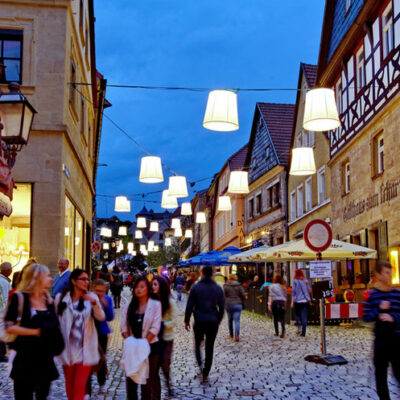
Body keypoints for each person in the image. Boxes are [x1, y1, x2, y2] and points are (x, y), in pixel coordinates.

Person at [5, 264, 64, 399]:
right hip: (25, 359)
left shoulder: (49, 301)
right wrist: (36, 332)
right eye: (47, 276)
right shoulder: (19, 298)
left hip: (45, 360)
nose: (51, 278)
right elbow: (9, 326)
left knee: (42, 396)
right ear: (37, 278)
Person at [55, 269, 105, 400]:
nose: (86, 282)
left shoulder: (91, 298)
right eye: (83, 279)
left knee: (79, 386)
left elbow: (101, 317)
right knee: (70, 386)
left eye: (88, 279)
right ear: (73, 281)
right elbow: (55, 320)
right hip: (67, 350)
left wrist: (94, 304)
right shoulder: (61, 298)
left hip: (85, 350)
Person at [120, 276, 162, 400]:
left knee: (147, 384)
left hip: (150, 349)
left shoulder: (155, 305)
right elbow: (124, 327)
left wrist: (143, 344)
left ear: (147, 289)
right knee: (131, 383)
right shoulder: (129, 306)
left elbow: (155, 327)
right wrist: (131, 342)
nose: (138, 290)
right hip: (132, 349)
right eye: (136, 287)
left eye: (142, 287)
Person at [364, 261, 400, 400]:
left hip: (397, 340)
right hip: (381, 341)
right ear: (378, 275)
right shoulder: (372, 295)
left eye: (390, 272)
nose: (389, 275)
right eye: (386, 272)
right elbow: (366, 317)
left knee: (399, 373)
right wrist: (379, 309)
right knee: (380, 377)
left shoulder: (397, 294)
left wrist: (393, 317)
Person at [184, 266, 225, 382]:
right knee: (209, 347)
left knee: (197, 345)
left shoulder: (196, 287)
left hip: (199, 321)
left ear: (201, 273)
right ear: (212, 274)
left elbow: (190, 305)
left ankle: (201, 366)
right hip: (213, 321)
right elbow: (222, 307)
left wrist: (186, 320)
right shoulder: (217, 288)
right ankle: (206, 371)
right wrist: (218, 320)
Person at [151, 276, 178, 397]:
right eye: (152, 284)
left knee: (165, 364)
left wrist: (160, 325)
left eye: (155, 284)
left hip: (167, 338)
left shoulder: (170, 302)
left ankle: (168, 384)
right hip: (154, 339)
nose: (153, 287)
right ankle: (156, 393)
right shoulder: (151, 301)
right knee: (155, 366)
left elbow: (174, 321)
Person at [89, 279, 114, 395]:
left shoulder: (107, 299)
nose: (99, 293)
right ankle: (87, 385)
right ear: (93, 288)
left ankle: (101, 383)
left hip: (102, 333)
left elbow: (110, 317)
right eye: (97, 290)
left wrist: (105, 305)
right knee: (88, 359)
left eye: (102, 291)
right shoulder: (88, 298)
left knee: (101, 358)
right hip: (88, 333)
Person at [223, 274, 245, 342]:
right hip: (238, 304)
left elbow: (223, 295)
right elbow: (243, 295)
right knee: (237, 320)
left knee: (230, 320)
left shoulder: (226, 286)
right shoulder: (239, 286)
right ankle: (237, 335)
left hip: (229, 305)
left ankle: (231, 334)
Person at [291, 268, 311, 337]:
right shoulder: (305, 281)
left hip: (297, 301)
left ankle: (299, 325)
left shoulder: (295, 281)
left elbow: (293, 292)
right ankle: (303, 332)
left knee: (297, 315)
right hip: (304, 301)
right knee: (304, 316)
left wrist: (292, 301)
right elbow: (309, 290)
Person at [0, 262, 12, 362]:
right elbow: (5, 298)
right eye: (10, 268)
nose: (11, 270)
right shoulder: (4, 282)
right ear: (7, 270)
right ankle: (1, 354)